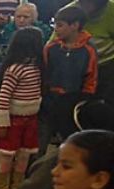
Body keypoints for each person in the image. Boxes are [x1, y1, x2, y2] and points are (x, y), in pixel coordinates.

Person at [0, 27, 43, 189]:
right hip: (13, 120)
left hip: (31, 119)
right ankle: (3, 188)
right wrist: (2, 123)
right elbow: (3, 97)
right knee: (7, 155)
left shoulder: (37, 67)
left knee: (24, 155)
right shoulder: (14, 69)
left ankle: (18, 185)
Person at [42, 6, 99, 152]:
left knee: (70, 140)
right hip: (49, 100)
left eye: (60, 25)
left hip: (73, 101)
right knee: (41, 138)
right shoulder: (51, 48)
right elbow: (44, 73)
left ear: (75, 25)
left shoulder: (89, 50)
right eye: (55, 24)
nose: (56, 29)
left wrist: (83, 101)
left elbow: (90, 79)